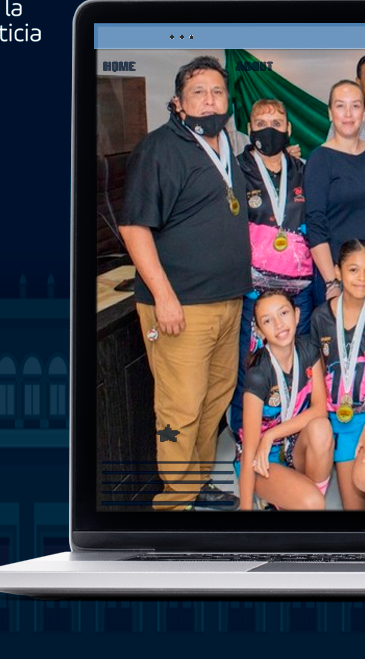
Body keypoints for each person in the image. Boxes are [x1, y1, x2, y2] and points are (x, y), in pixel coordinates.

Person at [119, 55, 247, 511]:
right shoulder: (160, 148)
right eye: (198, 92)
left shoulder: (221, 144)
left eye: (217, 91)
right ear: (177, 102)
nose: (210, 100)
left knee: (211, 404)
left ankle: (195, 486)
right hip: (181, 309)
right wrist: (165, 297)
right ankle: (173, 506)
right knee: (180, 409)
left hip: (227, 303)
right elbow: (135, 228)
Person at [229, 99, 313, 442]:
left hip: (298, 291)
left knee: (299, 359)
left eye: (277, 122)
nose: (269, 128)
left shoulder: (304, 169)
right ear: (249, 129)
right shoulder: (235, 170)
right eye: (261, 122)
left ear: (289, 129)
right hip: (255, 291)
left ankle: (295, 426)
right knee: (250, 364)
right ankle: (245, 433)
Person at [309, 239, 365, 510]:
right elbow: (320, 377)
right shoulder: (320, 318)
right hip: (339, 417)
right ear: (337, 271)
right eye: (353, 270)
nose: (362, 278)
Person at [239, 291, 333, 511]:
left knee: (322, 428)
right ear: (260, 331)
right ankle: (290, 497)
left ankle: (293, 498)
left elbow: (320, 410)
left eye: (283, 313)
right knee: (313, 503)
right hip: (263, 460)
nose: (279, 324)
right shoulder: (258, 375)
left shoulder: (309, 349)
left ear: (297, 315)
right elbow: (250, 452)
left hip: (291, 444)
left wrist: (271, 434)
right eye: (267, 320)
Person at [305, 80, 365, 310]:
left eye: (355, 106)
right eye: (340, 106)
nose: (348, 114)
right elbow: (315, 223)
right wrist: (331, 281)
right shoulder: (320, 159)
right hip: (336, 276)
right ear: (330, 113)